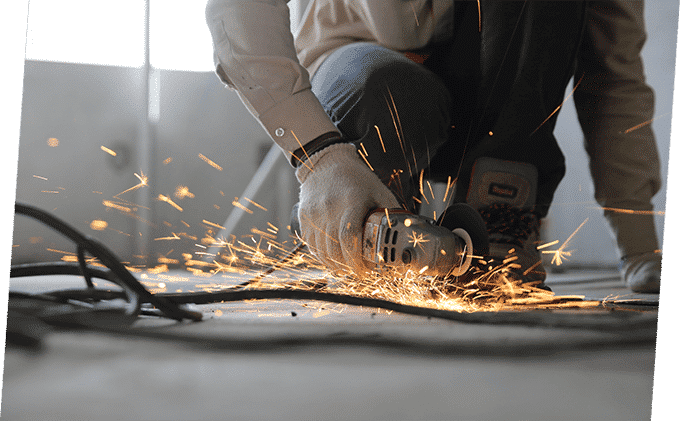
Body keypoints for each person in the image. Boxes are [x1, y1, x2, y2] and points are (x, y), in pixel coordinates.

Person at [205, 0, 662, 293]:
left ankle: (498, 219)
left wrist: (640, 246)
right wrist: (318, 156)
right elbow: (239, 11)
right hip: (367, 71)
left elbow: (613, 74)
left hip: (502, 109)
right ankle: (357, 220)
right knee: (385, 88)